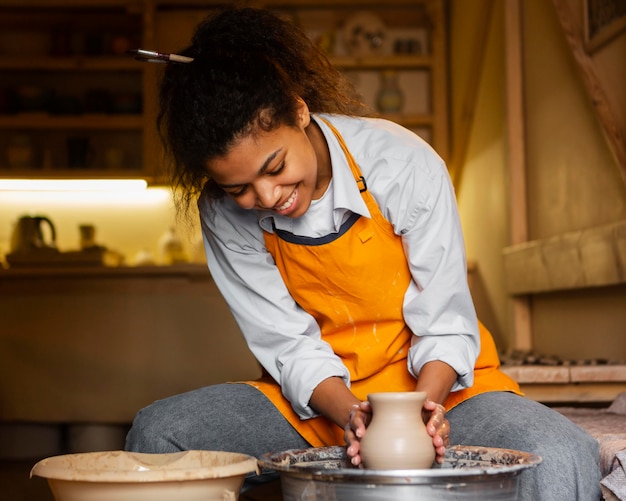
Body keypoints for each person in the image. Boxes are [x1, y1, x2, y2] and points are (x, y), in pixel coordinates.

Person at [125, 7, 601, 499]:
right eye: (239, 187)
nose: (266, 197)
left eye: (275, 165)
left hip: (446, 395)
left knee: (559, 450)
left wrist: (418, 416)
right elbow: (288, 347)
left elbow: (445, 322)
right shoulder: (222, 213)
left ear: (299, 109)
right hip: (318, 404)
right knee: (159, 434)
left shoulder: (401, 162)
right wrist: (353, 414)